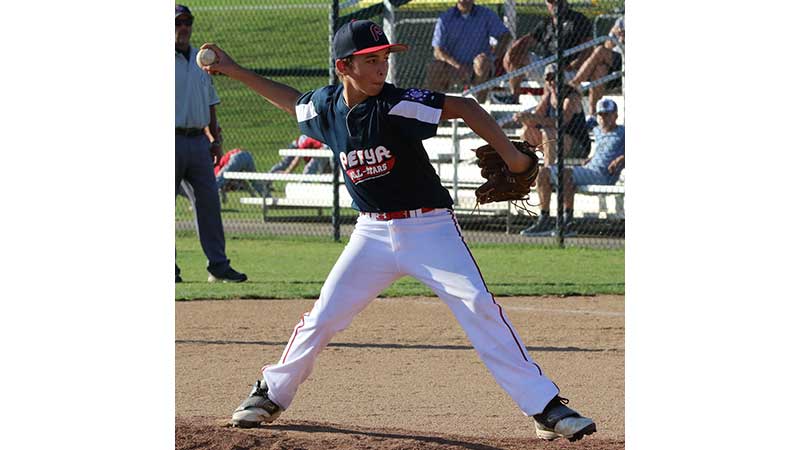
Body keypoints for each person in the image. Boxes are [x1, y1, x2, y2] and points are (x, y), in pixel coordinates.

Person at [198, 19, 596, 442]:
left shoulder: (396, 104)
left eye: (384, 57)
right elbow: (293, 102)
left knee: (479, 305)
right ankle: (270, 393)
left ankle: (544, 407)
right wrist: (234, 69)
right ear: (343, 67)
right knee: (323, 317)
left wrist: (514, 159)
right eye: (370, 60)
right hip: (370, 234)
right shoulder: (327, 107)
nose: (381, 66)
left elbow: (465, 106)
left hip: (430, 229)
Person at [174, 4, 247, 284]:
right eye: (177, 23)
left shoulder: (200, 60)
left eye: (187, 22)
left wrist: (215, 139)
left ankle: (218, 265)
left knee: (209, 203)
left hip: (198, 143)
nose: (183, 27)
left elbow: (210, 102)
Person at [520, 97, 624, 237]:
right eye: (601, 114)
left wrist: (621, 159)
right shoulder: (598, 131)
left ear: (616, 115)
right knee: (543, 173)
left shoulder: (623, 132)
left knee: (566, 174)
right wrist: (591, 159)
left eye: (607, 114)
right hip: (590, 170)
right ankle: (544, 219)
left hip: (604, 175)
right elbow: (603, 150)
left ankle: (568, 222)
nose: (604, 118)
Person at [501, 0, 592, 104]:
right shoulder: (546, 23)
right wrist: (511, 53)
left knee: (551, 69)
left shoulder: (579, 20)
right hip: (546, 66)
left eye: (558, 1)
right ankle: (514, 97)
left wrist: (575, 64)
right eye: (551, 1)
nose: (555, 4)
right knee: (516, 56)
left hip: (570, 71)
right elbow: (528, 40)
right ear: (547, 4)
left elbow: (588, 48)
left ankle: (548, 108)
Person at [424, 0, 512, 103]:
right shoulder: (445, 18)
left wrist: (493, 56)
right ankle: (432, 109)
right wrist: (458, 67)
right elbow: (438, 51)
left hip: (479, 68)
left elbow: (505, 35)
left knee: (482, 63)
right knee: (434, 67)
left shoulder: (485, 14)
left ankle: (478, 109)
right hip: (454, 68)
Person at [512, 63, 590, 165]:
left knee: (549, 133)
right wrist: (523, 118)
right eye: (547, 78)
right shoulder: (548, 96)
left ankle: (548, 169)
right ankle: (528, 166)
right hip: (557, 142)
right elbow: (534, 120)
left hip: (578, 145)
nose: (552, 82)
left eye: (554, 77)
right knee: (527, 131)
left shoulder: (571, 98)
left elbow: (560, 123)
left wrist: (533, 118)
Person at [569, 16, 624, 119]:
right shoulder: (622, 21)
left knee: (599, 50)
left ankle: (575, 83)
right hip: (615, 59)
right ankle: (593, 115)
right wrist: (616, 38)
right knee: (600, 69)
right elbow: (608, 45)